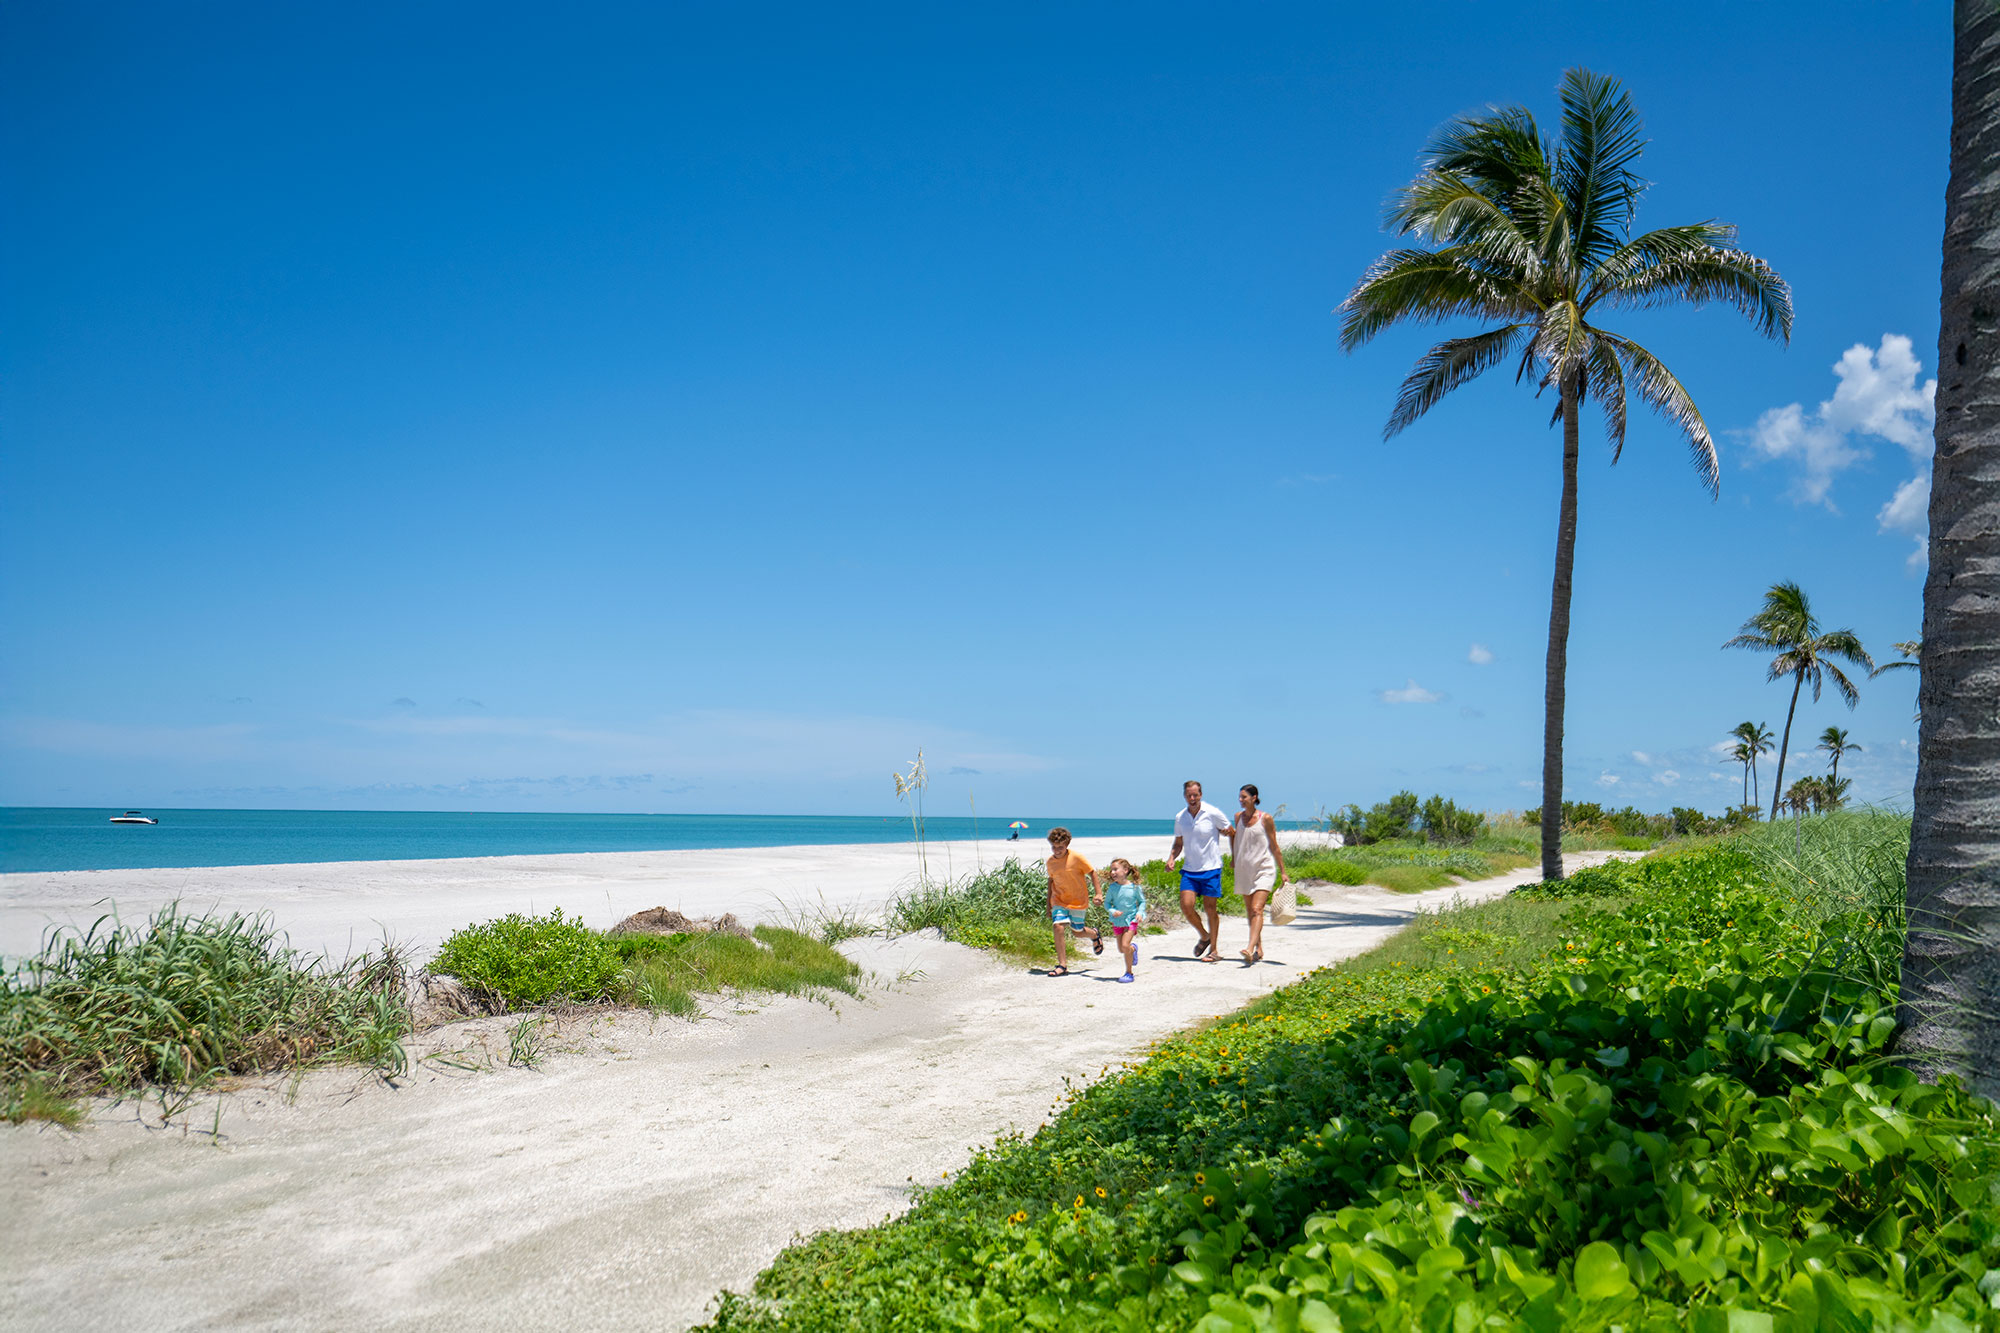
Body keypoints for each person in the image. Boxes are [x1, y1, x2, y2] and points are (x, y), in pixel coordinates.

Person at [1168, 780, 1233, 961]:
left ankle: (1214, 950)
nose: (1192, 798)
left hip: (1211, 868)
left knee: (1210, 909)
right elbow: (1178, 843)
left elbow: (1230, 830)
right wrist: (1172, 858)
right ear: (1184, 796)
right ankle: (1205, 936)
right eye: (1189, 795)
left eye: (1195, 794)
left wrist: (1227, 834)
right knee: (1186, 906)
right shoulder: (1180, 817)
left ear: (1201, 795)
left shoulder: (1212, 812)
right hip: (1190, 869)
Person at [1232, 784, 1287, 963]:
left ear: (1254, 797)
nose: (1241, 800)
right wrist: (1233, 858)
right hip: (1244, 869)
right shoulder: (1238, 817)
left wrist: (1283, 871)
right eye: (1240, 797)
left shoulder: (1266, 818)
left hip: (1264, 868)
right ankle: (1259, 948)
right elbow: (1237, 840)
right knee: (1251, 911)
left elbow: (1274, 846)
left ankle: (1249, 948)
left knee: (1257, 909)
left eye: (1244, 797)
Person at [1042, 826, 1101, 977]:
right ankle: (1062, 965)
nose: (1056, 850)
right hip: (1059, 900)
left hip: (1078, 901)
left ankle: (1094, 934)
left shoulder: (1077, 858)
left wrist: (1098, 893)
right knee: (1058, 927)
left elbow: (1092, 873)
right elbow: (1051, 882)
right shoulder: (1050, 862)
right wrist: (1049, 905)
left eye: (1060, 847)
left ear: (1067, 845)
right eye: (1054, 847)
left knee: (1077, 932)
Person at [1102, 858, 1147, 982]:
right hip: (1117, 921)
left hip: (1131, 920)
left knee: (1124, 945)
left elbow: (1142, 902)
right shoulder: (1112, 888)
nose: (1112, 872)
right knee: (1122, 949)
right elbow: (1107, 904)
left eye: (1115, 869)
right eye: (1111, 870)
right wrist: (1112, 911)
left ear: (1125, 870)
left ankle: (1129, 973)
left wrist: (1140, 912)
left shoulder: (1134, 887)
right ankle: (1133, 949)